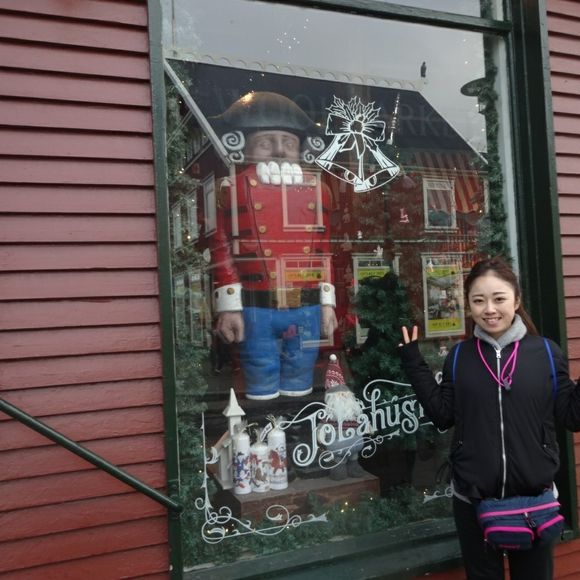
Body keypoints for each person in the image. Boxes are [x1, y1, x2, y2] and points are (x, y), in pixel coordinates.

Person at [398, 256, 580, 580]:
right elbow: (442, 416)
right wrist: (414, 363)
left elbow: (572, 417)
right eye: (479, 300)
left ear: (516, 300)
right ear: (468, 305)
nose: (489, 309)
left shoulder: (546, 354)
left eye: (499, 299)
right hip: (473, 502)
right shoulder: (460, 357)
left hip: (533, 501)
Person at [210, 91, 337, 400]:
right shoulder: (231, 189)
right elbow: (221, 249)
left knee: (300, 378)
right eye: (266, 142)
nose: (280, 150)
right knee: (260, 378)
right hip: (256, 307)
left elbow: (324, 250)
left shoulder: (319, 190)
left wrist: (327, 303)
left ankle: (296, 424)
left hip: (305, 306)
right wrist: (229, 306)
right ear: (246, 146)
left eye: (289, 142)